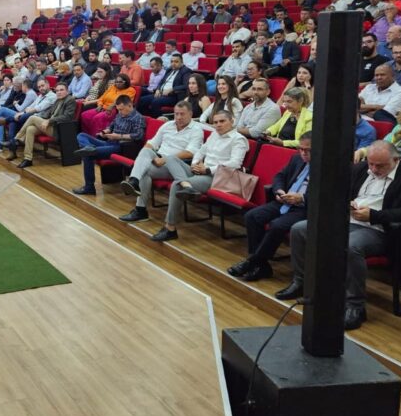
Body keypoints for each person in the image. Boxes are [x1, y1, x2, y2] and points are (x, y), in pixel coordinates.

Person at [278, 140, 401, 330]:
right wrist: (346, 204)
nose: (374, 169)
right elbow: (339, 191)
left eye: (380, 166)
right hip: (348, 220)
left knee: (350, 245)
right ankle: (302, 282)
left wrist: (374, 216)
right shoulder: (362, 168)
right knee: (300, 229)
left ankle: (355, 305)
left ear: (396, 160)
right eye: (371, 164)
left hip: (379, 229)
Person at [151, 110, 249, 242]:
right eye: (215, 122)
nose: (218, 125)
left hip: (215, 177)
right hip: (199, 170)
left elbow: (235, 164)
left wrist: (207, 170)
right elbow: (200, 151)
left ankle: (170, 229)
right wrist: (194, 164)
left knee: (176, 185)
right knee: (170, 158)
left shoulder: (238, 139)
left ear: (231, 121)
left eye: (222, 121)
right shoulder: (214, 134)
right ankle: (186, 184)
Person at [228, 133, 312, 282]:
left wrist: (302, 198)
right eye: (301, 149)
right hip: (285, 200)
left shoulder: (327, 167)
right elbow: (279, 176)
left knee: (277, 225)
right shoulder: (296, 158)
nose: (303, 153)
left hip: (304, 208)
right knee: (252, 216)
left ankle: (252, 262)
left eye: (308, 150)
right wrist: (279, 191)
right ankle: (261, 266)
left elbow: (328, 195)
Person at [116, 101, 205, 222]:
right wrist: (150, 157)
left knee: (143, 170)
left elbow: (190, 152)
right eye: (176, 114)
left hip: (179, 165)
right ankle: (134, 181)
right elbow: (152, 143)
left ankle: (140, 209)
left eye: (182, 114)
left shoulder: (196, 129)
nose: (179, 117)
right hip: (159, 159)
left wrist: (164, 160)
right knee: (146, 152)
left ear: (190, 114)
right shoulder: (167, 125)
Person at [71, 95, 145, 195]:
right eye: (118, 110)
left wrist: (118, 136)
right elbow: (111, 126)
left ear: (130, 105)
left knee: (87, 155)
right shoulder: (120, 114)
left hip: (121, 146)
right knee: (81, 135)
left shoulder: (138, 117)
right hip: (109, 142)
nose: (120, 112)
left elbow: (138, 135)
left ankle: (89, 187)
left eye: (122, 109)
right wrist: (105, 132)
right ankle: (89, 147)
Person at [13, 83, 77, 168]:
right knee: (30, 129)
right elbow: (48, 113)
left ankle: (17, 139)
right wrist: (42, 119)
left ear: (67, 91)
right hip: (50, 126)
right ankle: (28, 159)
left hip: (59, 129)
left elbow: (67, 117)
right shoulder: (57, 100)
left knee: (32, 118)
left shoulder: (70, 100)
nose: (59, 92)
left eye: (61, 90)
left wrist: (49, 121)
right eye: (57, 90)